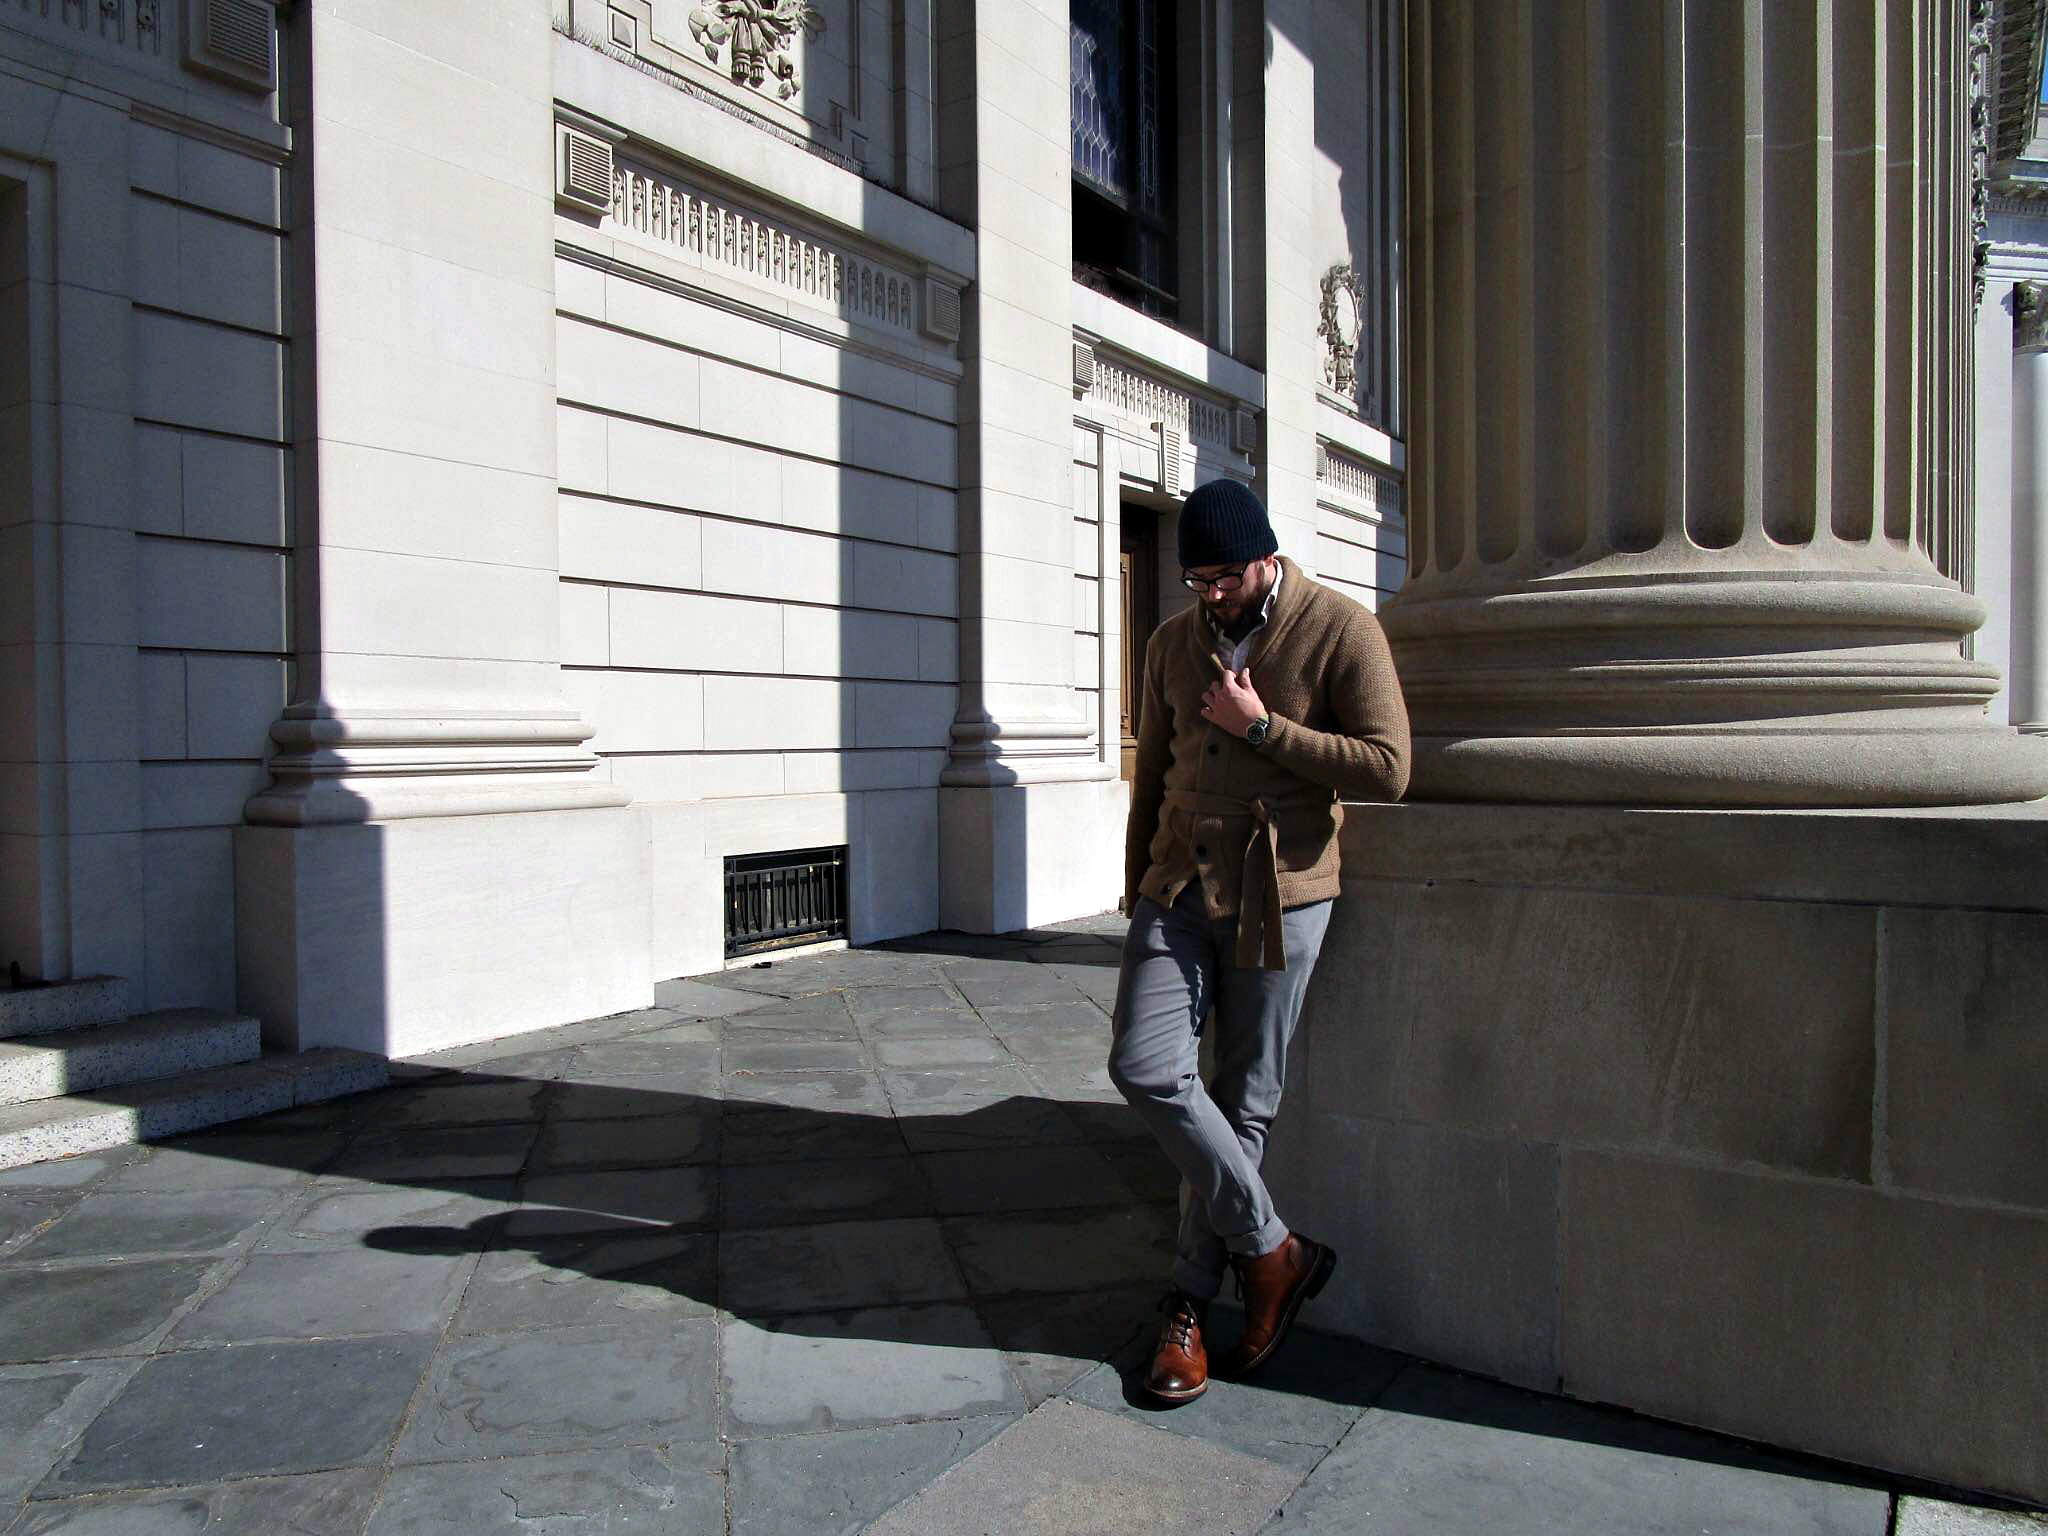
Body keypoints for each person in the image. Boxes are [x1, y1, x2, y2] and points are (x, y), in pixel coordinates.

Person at [1108, 478, 1410, 1402]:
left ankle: (1189, 1305)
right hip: (1178, 886)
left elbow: (1390, 768)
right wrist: (1136, 884)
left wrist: (1266, 728)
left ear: (1266, 558)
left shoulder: (1342, 629)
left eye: (1224, 577)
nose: (1210, 594)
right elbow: (1153, 772)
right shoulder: (1170, 643)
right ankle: (1274, 1250)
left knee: (1246, 1103)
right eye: (1196, 580)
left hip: (1283, 892)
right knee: (1146, 1066)